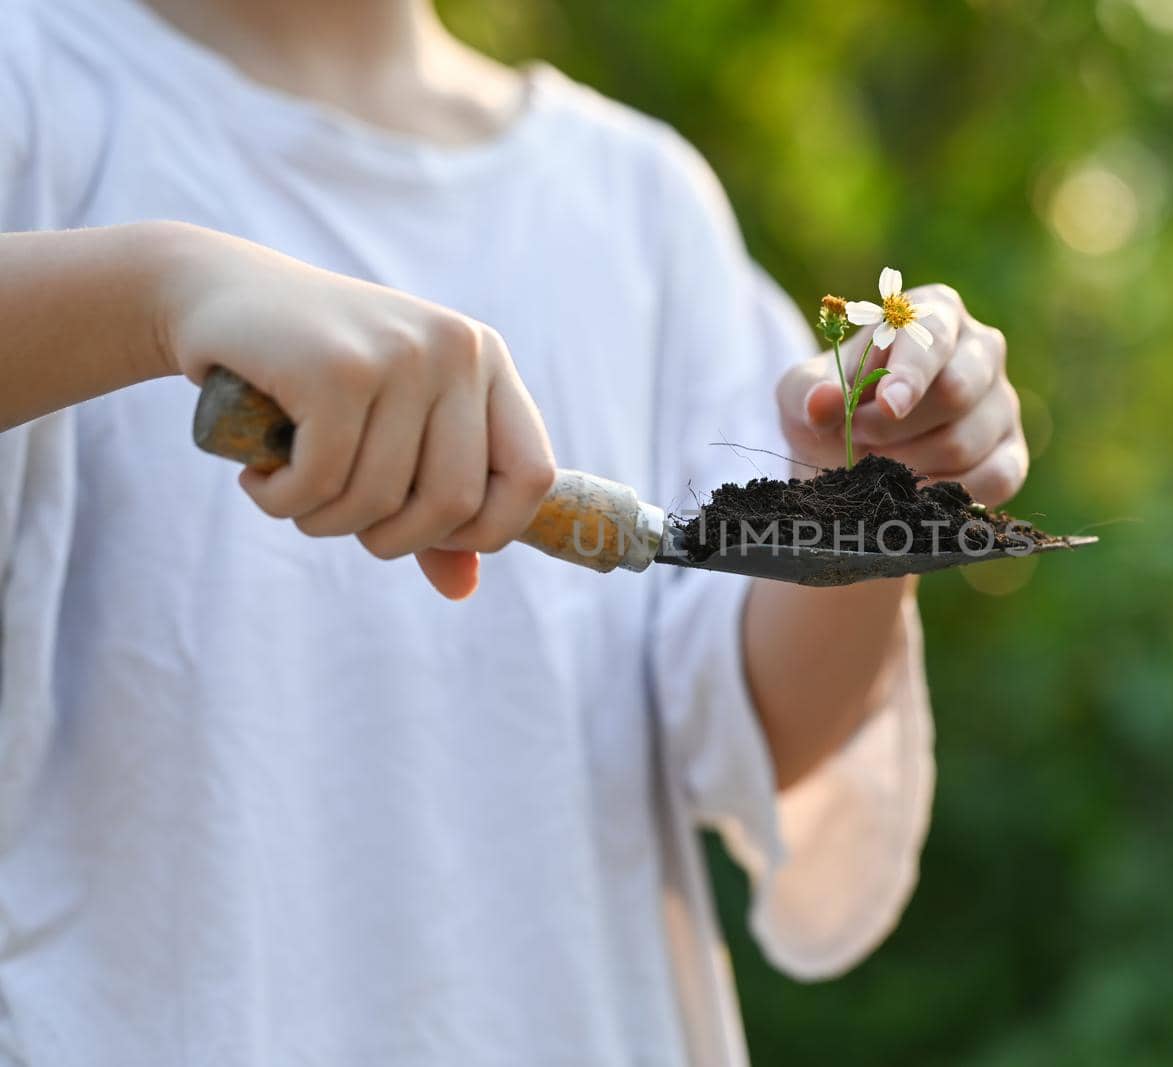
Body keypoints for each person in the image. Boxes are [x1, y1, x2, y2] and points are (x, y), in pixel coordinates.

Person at [0, 0, 1029, 1062]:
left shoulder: (638, 202)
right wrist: (155, 294)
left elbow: (754, 728)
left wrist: (864, 505)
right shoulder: (32, 84)